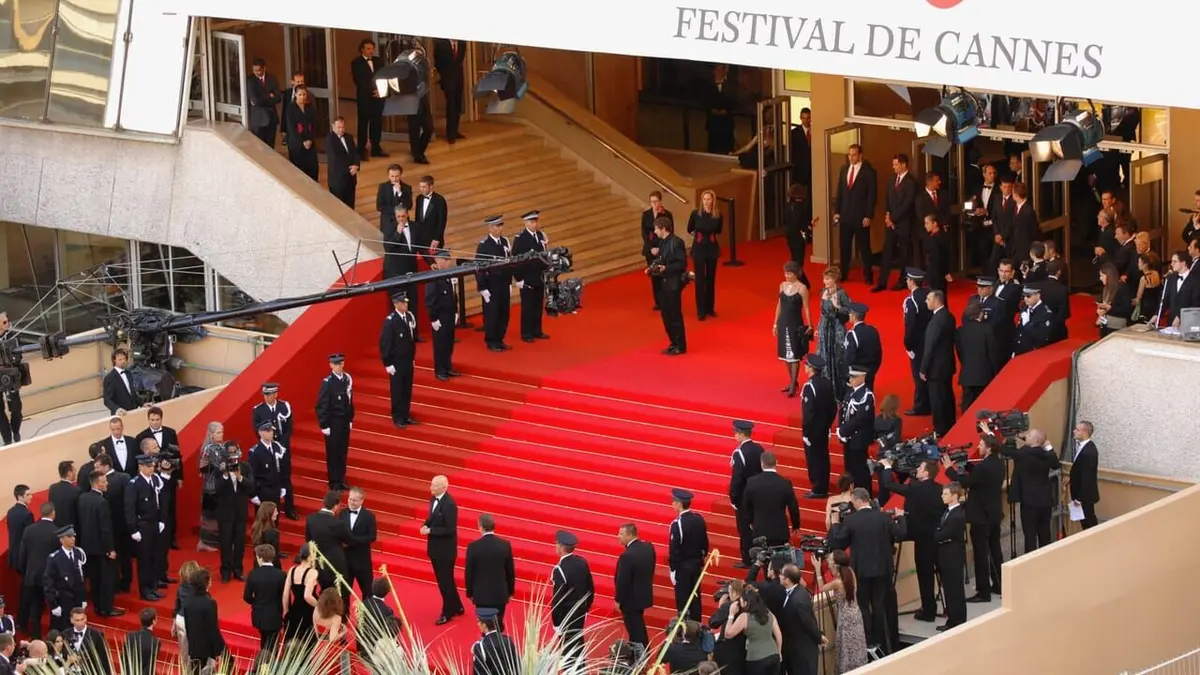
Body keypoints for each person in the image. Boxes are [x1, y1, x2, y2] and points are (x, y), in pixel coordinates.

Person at [826, 488, 902, 654]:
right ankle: (883, 640)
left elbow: (838, 543)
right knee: (880, 603)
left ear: (859, 501)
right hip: (883, 569)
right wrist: (901, 517)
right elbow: (899, 534)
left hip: (861, 571)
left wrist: (836, 523)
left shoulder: (851, 520)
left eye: (853, 501)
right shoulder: (883, 517)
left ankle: (869, 639)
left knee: (864, 605)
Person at [879, 459, 943, 623]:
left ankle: (928, 610)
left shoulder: (915, 489)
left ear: (926, 473)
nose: (918, 469)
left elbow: (888, 484)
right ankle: (943, 607)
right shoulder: (940, 489)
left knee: (925, 576)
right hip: (938, 537)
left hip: (920, 539)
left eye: (920, 468)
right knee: (937, 574)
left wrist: (887, 466)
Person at [944, 434, 1005, 602]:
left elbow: (966, 483)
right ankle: (999, 584)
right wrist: (968, 465)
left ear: (989, 448)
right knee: (995, 550)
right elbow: (979, 478)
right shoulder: (998, 463)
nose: (978, 447)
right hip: (994, 513)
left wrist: (949, 469)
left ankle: (983, 592)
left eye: (981, 444)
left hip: (980, 516)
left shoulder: (984, 467)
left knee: (981, 554)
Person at [1001, 429, 1061, 554]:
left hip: (1029, 502)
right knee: (1045, 534)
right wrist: (1048, 445)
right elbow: (1056, 464)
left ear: (1036, 440)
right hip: (1045, 501)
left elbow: (1004, 450)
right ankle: (1046, 559)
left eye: (1029, 435)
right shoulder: (1047, 454)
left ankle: (1030, 561)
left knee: (1030, 536)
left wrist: (990, 433)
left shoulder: (1024, 453)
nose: (1026, 435)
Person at [815, 550, 869, 673]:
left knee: (846, 647)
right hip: (855, 614)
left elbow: (822, 588)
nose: (828, 562)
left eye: (830, 560)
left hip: (846, 618)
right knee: (856, 645)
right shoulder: (850, 572)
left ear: (836, 564)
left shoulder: (838, 582)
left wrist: (818, 571)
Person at [77, 472, 120, 617]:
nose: (107, 483)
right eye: (104, 481)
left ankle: (97, 607)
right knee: (106, 579)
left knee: (94, 579)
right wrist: (110, 549)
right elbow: (105, 528)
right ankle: (107, 608)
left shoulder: (82, 498)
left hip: (87, 547)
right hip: (102, 548)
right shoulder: (102, 502)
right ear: (96, 483)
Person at [125, 455, 167, 602]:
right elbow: (129, 509)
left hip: (154, 523)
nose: (151, 469)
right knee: (144, 559)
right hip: (142, 525)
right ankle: (145, 590)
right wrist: (133, 530)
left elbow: (160, 501)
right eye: (148, 466)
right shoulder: (134, 484)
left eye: (152, 466)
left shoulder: (155, 480)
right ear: (140, 467)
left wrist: (161, 520)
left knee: (155, 557)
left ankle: (153, 587)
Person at [834, 144, 878, 284]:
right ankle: (844, 274)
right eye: (849, 155)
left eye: (854, 155)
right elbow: (840, 192)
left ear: (860, 155)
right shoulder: (844, 169)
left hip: (861, 216)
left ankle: (868, 276)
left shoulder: (869, 172)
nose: (851, 157)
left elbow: (872, 195)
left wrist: (869, 215)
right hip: (845, 216)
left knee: (864, 247)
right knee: (844, 247)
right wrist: (837, 211)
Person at [423, 475, 464, 624]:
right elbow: (432, 518)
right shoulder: (433, 499)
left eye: (434, 485)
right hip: (434, 548)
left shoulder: (450, 505)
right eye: (431, 484)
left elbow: (450, 529)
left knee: (445, 581)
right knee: (445, 580)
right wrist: (425, 524)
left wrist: (431, 530)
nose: (431, 487)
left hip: (445, 551)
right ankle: (457, 606)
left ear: (443, 487)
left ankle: (447, 612)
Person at [464, 515, 515, 632]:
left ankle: (486, 642)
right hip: (499, 595)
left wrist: (469, 592)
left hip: (481, 596)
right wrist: (510, 591)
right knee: (498, 624)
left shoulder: (473, 547)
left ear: (481, 528)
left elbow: (469, 573)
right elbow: (510, 571)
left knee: (485, 626)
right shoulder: (504, 545)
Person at [251, 383, 296, 519]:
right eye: (265, 394)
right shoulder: (258, 410)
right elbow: (257, 430)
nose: (266, 397)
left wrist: (281, 445)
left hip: (283, 449)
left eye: (269, 394)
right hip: (268, 449)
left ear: (275, 394)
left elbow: (289, 428)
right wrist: (270, 443)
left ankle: (289, 508)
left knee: (285, 477)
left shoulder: (284, 407)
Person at [877, 154, 919, 291]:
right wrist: (887, 215)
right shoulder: (891, 179)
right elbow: (887, 198)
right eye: (893, 164)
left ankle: (902, 281)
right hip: (890, 223)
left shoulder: (911, 181)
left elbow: (908, 204)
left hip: (904, 223)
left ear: (903, 165)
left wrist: (893, 218)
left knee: (904, 254)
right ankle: (882, 282)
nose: (893, 167)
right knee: (887, 252)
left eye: (896, 164)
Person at [550, 530, 594, 661]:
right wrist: (585, 608)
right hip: (580, 613)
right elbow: (590, 589)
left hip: (566, 616)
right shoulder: (582, 563)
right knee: (578, 647)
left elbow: (558, 599)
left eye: (557, 544)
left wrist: (556, 623)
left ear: (560, 547)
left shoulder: (560, 569)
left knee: (568, 653)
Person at [742, 452, 800, 548]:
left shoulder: (752, 482)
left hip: (760, 530)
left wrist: (750, 521)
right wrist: (796, 525)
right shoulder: (785, 483)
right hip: (780, 531)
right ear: (776, 463)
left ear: (762, 464)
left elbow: (746, 505)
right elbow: (793, 507)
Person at [304, 492, 352, 607]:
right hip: (336, 564)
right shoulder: (338, 524)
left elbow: (308, 541)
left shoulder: (311, 519)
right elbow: (349, 540)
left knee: (324, 590)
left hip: (318, 562)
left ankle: (323, 612)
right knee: (341, 593)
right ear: (336, 506)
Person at [17, 502, 58, 637]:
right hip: (50, 577)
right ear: (53, 513)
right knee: (53, 606)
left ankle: (35, 635)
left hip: (32, 575)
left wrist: (26, 572)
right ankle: (53, 636)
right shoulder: (56, 531)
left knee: (35, 607)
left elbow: (23, 554)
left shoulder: (29, 530)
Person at [648, 217, 688, 355]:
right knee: (665, 315)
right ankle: (673, 342)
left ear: (663, 228)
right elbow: (661, 259)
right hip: (664, 284)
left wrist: (667, 268)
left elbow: (682, 263)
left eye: (656, 229)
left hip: (674, 283)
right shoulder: (663, 242)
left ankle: (680, 345)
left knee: (674, 314)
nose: (654, 231)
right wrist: (652, 268)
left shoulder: (676, 242)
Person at [315, 353, 355, 491]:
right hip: (333, 423)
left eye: (341, 363)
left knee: (342, 451)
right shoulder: (328, 383)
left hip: (344, 421)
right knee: (333, 453)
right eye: (336, 364)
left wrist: (350, 418)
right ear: (331, 365)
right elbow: (322, 405)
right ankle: (334, 482)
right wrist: (324, 424)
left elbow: (349, 401)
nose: (339, 366)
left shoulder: (346, 379)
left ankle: (341, 479)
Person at [215, 446, 254, 583]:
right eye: (230, 453)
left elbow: (251, 486)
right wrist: (226, 475)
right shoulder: (220, 468)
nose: (232, 456)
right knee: (225, 543)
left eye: (234, 453)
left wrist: (240, 477)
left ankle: (238, 570)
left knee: (239, 543)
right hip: (225, 514)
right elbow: (217, 489)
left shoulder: (245, 467)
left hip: (240, 512)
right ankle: (226, 572)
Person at [921, 290, 958, 437]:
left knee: (937, 399)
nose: (926, 301)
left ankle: (940, 429)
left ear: (937, 300)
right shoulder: (948, 315)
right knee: (947, 395)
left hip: (936, 368)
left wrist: (924, 368)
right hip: (947, 364)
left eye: (928, 299)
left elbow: (930, 346)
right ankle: (950, 423)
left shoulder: (937, 320)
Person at [475, 215, 514, 352]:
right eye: (497, 226)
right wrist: (482, 288)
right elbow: (479, 268)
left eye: (501, 226)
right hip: (491, 285)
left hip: (504, 283)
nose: (499, 229)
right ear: (490, 228)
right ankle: (491, 341)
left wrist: (509, 282)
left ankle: (500, 338)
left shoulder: (505, 241)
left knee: (504, 313)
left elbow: (509, 263)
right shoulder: (484, 245)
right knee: (492, 314)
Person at [776, 564, 825, 675]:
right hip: (795, 650)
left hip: (802, 653)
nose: (779, 576)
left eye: (781, 574)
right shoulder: (799, 591)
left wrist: (819, 637)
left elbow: (809, 622)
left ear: (787, 580)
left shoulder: (798, 600)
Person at [729, 420, 765, 566]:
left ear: (741, 434)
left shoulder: (739, 453)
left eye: (736, 432)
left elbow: (737, 478)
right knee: (757, 525)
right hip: (759, 493)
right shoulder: (759, 449)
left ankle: (747, 558)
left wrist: (734, 498)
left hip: (744, 497)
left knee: (744, 528)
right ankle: (760, 554)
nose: (734, 435)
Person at [614, 523, 655, 649]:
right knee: (638, 626)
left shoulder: (627, 556)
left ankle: (641, 653)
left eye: (621, 534)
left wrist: (618, 600)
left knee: (635, 630)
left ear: (630, 535)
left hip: (630, 600)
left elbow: (622, 581)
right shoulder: (648, 548)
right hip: (643, 595)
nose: (618, 536)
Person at [774, 261, 813, 396]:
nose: (787, 276)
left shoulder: (802, 288)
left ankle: (793, 384)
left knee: (795, 354)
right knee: (785, 354)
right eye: (786, 273)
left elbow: (806, 307)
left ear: (796, 274)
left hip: (795, 323)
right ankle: (793, 381)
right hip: (783, 322)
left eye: (790, 273)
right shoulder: (782, 285)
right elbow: (779, 305)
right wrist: (775, 323)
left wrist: (810, 325)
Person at [956, 299, 1002, 412]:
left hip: (967, 375)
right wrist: (996, 372)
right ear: (980, 313)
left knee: (966, 406)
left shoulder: (960, 331)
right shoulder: (987, 329)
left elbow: (960, 352)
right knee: (983, 407)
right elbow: (992, 353)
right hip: (984, 375)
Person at [380, 292, 419, 429]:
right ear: (396, 304)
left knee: (407, 389)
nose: (405, 304)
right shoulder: (391, 321)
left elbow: (410, 340)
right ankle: (398, 417)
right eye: (403, 302)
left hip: (407, 360)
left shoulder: (408, 317)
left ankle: (406, 414)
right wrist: (388, 363)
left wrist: (412, 357)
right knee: (397, 390)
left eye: (406, 302)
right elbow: (385, 343)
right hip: (396, 363)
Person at [800, 354, 836, 499]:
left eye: (806, 365)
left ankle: (817, 488)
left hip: (813, 431)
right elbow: (833, 408)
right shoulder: (827, 383)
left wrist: (806, 433)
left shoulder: (810, 386)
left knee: (814, 459)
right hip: (824, 428)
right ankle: (823, 485)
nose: (805, 367)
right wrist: (827, 425)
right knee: (823, 457)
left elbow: (808, 413)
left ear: (811, 368)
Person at [512, 210, 551, 342]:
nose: (534, 224)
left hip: (539, 276)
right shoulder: (520, 238)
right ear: (525, 223)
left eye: (535, 221)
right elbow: (516, 260)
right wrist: (519, 279)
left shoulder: (540, 235)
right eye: (531, 222)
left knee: (538, 305)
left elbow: (545, 254)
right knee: (527, 306)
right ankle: (526, 333)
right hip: (527, 277)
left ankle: (537, 330)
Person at [935, 483, 968, 631]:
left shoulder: (957, 514)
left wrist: (938, 533)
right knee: (949, 589)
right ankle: (952, 619)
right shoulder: (948, 512)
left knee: (955, 590)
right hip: (946, 555)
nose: (942, 496)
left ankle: (957, 620)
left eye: (946, 494)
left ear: (954, 496)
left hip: (953, 556)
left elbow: (943, 533)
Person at [836, 366, 875, 492]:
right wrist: (840, 428)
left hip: (858, 439)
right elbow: (843, 412)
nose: (850, 379)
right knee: (849, 468)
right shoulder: (851, 391)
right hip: (848, 438)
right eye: (850, 377)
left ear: (862, 377)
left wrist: (843, 431)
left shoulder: (866, 395)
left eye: (854, 377)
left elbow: (860, 419)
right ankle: (851, 492)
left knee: (860, 470)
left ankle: (864, 494)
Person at [244, 544, 286, 655]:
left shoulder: (253, 574)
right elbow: (284, 596)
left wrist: (256, 602)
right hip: (275, 614)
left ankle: (264, 660)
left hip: (259, 615)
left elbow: (247, 597)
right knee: (273, 642)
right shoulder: (281, 575)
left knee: (264, 639)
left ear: (260, 558)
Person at [688, 190, 723, 320]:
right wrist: (699, 237)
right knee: (700, 279)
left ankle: (710, 308)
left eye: (709, 199)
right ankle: (701, 310)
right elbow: (689, 228)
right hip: (699, 249)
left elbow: (719, 230)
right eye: (704, 199)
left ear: (713, 201)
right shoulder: (696, 214)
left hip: (712, 249)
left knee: (710, 278)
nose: (706, 201)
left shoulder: (717, 215)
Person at [43, 526, 86, 632]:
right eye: (69, 537)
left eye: (73, 536)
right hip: (62, 601)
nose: (73, 539)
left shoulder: (78, 553)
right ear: (62, 539)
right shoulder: (54, 558)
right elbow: (49, 583)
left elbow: (80, 578)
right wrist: (53, 605)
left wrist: (83, 598)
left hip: (76, 601)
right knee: (63, 630)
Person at [182, 568, 226, 671]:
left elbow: (188, 625)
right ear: (207, 583)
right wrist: (218, 651)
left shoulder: (188, 600)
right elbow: (213, 629)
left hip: (193, 646)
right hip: (207, 649)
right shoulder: (209, 603)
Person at [817, 268, 851, 399]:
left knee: (838, 357)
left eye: (827, 279)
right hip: (825, 328)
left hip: (837, 328)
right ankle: (826, 390)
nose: (824, 281)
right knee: (824, 355)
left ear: (834, 279)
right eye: (824, 278)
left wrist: (837, 307)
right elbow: (822, 312)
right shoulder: (823, 292)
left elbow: (849, 310)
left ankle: (839, 390)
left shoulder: (841, 293)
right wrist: (818, 327)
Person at [901, 268, 932, 416]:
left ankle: (921, 405)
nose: (907, 282)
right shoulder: (929, 294)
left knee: (919, 375)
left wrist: (908, 346)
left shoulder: (911, 300)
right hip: (931, 339)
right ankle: (930, 401)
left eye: (908, 279)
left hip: (918, 343)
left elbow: (910, 325)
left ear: (912, 282)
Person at [427, 251, 460, 380]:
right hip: (440, 316)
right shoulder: (434, 278)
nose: (448, 263)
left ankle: (448, 367)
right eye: (446, 260)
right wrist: (433, 318)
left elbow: (453, 295)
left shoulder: (448, 275)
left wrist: (455, 311)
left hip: (449, 315)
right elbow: (430, 300)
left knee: (448, 342)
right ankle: (440, 370)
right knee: (440, 344)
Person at [341, 487, 378, 601]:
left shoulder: (369, 516)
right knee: (344, 593)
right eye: (350, 499)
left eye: (355, 500)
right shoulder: (342, 513)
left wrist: (353, 541)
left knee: (367, 592)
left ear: (361, 501)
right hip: (345, 560)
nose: (351, 502)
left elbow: (372, 536)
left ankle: (366, 613)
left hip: (362, 562)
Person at [351, 39, 386, 160]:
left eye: (372, 48)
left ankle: (376, 148)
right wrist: (372, 92)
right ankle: (361, 149)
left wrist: (380, 91)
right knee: (363, 123)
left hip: (378, 97)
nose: (371, 51)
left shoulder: (379, 61)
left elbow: (384, 77)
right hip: (365, 98)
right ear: (362, 49)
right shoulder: (356, 62)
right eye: (368, 48)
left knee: (377, 122)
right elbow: (359, 81)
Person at [640, 191, 674, 309]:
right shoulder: (646, 214)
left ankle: (666, 300)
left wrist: (660, 247)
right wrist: (651, 247)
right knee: (654, 275)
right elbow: (644, 233)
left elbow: (670, 233)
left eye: (656, 201)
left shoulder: (666, 214)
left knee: (663, 275)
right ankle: (658, 302)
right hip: (650, 248)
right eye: (652, 202)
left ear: (660, 201)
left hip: (662, 248)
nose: (654, 204)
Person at [197, 421, 226, 552]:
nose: (221, 435)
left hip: (220, 486)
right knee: (209, 517)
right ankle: (204, 543)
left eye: (222, 432)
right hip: (210, 487)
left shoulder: (221, 447)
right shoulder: (208, 449)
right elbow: (202, 468)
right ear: (211, 434)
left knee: (218, 516)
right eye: (218, 432)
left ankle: (215, 542)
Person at [249, 423, 288, 520]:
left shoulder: (276, 447)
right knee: (263, 520)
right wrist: (253, 495)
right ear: (260, 433)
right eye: (268, 431)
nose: (271, 433)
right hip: (263, 491)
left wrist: (283, 485)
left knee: (275, 519)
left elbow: (282, 468)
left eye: (271, 430)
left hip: (276, 490)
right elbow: (252, 475)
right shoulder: (255, 452)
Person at [282, 544, 319, 642]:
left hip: (294, 609)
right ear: (310, 556)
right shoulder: (312, 572)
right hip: (307, 612)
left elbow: (285, 594)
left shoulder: (292, 570)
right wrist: (318, 606)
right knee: (307, 642)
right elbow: (307, 596)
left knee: (293, 642)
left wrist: (286, 611)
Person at [433, 39, 467, 145]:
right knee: (451, 106)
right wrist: (444, 75)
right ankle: (450, 134)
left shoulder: (462, 44)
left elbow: (460, 61)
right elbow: (438, 63)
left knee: (457, 105)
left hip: (459, 79)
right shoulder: (441, 45)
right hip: (448, 79)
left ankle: (455, 131)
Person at [843, 303, 883, 392]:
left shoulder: (852, 334)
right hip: (870, 372)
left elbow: (849, 358)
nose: (849, 315)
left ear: (854, 316)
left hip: (856, 375)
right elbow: (879, 353)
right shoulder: (873, 330)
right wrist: (873, 371)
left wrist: (847, 376)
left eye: (850, 313)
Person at [1069, 421, 1101, 530]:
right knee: (1085, 522)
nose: (1074, 431)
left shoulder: (1089, 451)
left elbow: (1087, 476)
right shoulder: (1084, 447)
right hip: (1081, 494)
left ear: (1085, 432)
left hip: (1084, 496)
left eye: (1077, 430)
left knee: (1089, 522)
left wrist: (1079, 498)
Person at [284, 87, 319, 181]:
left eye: (304, 94)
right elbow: (291, 128)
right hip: (296, 144)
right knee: (299, 170)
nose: (302, 97)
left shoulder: (310, 107)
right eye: (300, 95)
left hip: (310, 142)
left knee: (313, 168)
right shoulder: (290, 109)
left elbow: (314, 125)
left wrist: (310, 140)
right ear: (295, 95)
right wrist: (302, 142)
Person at [471, 607, 518, 675]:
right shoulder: (508, 640)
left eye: (479, 622)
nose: (478, 624)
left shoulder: (481, 647)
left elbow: (478, 671)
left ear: (484, 625)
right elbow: (515, 664)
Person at [325, 116, 360, 207]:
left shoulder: (349, 137)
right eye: (339, 127)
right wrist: (350, 169)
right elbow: (335, 159)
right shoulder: (329, 140)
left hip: (351, 178)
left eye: (343, 127)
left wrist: (356, 165)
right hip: (338, 180)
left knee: (350, 204)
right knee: (339, 206)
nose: (341, 130)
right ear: (333, 126)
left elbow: (355, 153)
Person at [1012, 283, 1054, 356]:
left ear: (1038, 295)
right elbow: (1019, 331)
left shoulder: (1045, 313)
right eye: (1024, 296)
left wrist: (1027, 324)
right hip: (1021, 350)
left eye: (1028, 296)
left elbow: (1041, 336)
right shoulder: (1026, 308)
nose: (1025, 298)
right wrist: (1015, 350)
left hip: (1033, 352)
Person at [246, 57, 280, 146]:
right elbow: (255, 101)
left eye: (258, 70)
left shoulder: (272, 79)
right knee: (259, 146)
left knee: (270, 146)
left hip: (271, 118)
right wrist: (269, 96)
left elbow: (278, 98)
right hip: (258, 120)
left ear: (264, 68)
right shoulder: (250, 81)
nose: (256, 73)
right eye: (254, 71)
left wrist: (262, 99)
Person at [783, 184, 816, 277]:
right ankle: (798, 278)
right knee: (799, 259)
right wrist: (808, 226)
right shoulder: (799, 206)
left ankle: (796, 277)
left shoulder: (788, 205)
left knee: (795, 257)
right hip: (797, 235)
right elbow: (798, 222)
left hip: (790, 234)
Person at [65, 607, 111, 673]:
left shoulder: (97, 635)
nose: (80, 623)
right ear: (71, 620)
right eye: (77, 620)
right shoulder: (65, 634)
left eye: (82, 619)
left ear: (86, 618)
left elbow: (104, 658)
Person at [0, 311, 22, 445]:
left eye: (7, 321)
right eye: (4, 322)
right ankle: (7, 438)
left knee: (16, 408)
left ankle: (15, 430)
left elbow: (19, 355)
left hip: (10, 374)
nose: (7, 324)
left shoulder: (13, 336)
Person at [1097, 262, 1134, 336]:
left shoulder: (1122, 288)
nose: (1100, 278)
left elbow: (1127, 310)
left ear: (1109, 275)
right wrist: (1100, 310)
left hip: (1117, 328)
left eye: (1102, 276)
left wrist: (1109, 308)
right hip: (1105, 325)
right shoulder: (1106, 289)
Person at [102, 348, 142, 415]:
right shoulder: (110, 378)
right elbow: (107, 400)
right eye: (120, 359)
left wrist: (143, 404)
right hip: (120, 414)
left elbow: (132, 394)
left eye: (124, 359)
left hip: (133, 412)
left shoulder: (128, 373)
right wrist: (117, 409)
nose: (123, 361)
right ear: (114, 360)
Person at [122, 608, 161, 675]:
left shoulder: (130, 636)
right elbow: (150, 665)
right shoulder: (155, 642)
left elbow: (124, 657)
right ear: (154, 621)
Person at [5, 485, 32, 578]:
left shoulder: (10, 512)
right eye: (28, 494)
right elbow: (30, 536)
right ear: (20, 497)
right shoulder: (27, 514)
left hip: (14, 554)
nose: (31, 496)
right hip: (25, 556)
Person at [48, 461, 81, 530]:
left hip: (56, 528)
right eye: (74, 470)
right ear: (69, 473)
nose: (76, 472)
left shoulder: (52, 488)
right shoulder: (76, 491)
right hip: (72, 529)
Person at [251, 501, 283, 567]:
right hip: (271, 566)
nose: (277, 513)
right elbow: (275, 555)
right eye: (275, 511)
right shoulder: (273, 533)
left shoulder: (255, 528)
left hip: (258, 564)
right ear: (269, 513)